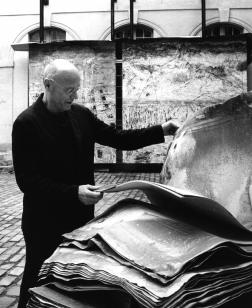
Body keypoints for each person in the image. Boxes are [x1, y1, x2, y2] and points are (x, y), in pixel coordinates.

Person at [12, 59, 179, 308]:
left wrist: (161, 130)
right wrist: (73, 192)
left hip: (80, 217)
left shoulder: (81, 115)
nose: (75, 95)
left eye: (77, 88)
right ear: (48, 85)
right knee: (37, 276)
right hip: (42, 222)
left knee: (71, 278)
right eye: (70, 89)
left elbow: (118, 138)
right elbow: (28, 181)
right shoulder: (26, 123)